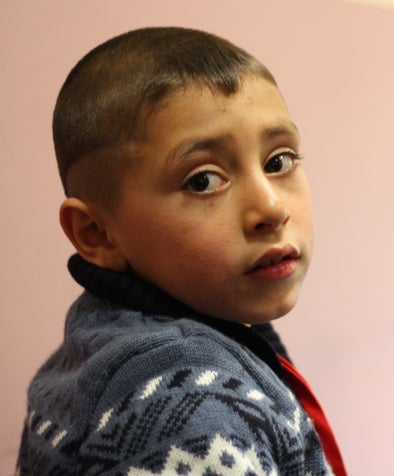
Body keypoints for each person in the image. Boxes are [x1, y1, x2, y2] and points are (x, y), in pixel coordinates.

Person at [16, 27, 346, 476]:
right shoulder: (190, 409)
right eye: (203, 181)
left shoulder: (103, 337)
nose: (271, 208)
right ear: (97, 234)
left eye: (278, 161)